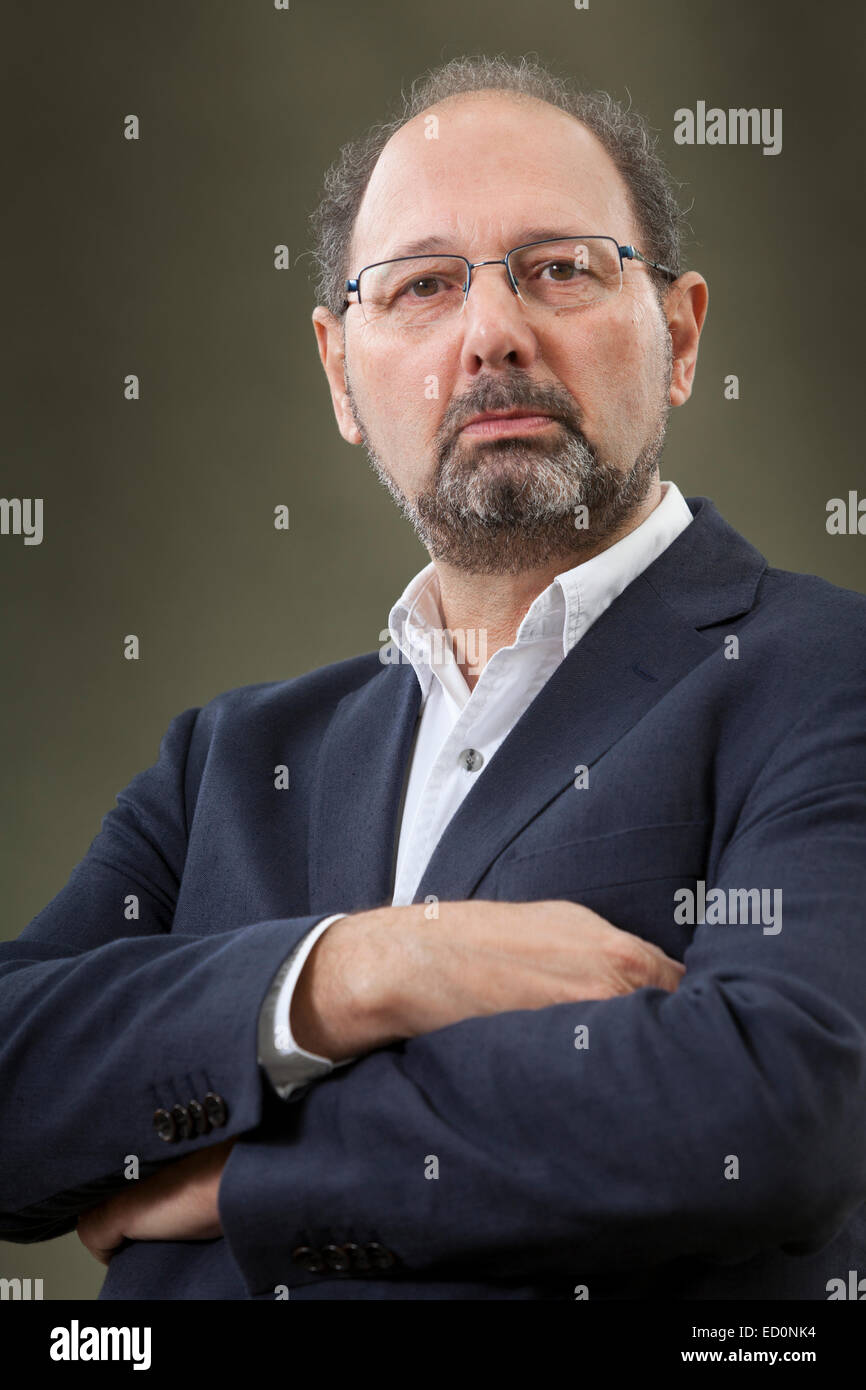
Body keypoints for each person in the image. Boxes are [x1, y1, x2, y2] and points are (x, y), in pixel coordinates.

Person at [2, 54, 865, 1302]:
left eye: (558, 268)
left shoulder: (823, 677)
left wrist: (253, 1186)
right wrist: (362, 970)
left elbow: (783, 1104)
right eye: (419, 287)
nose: (491, 331)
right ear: (340, 373)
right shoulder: (226, 764)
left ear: (677, 337)